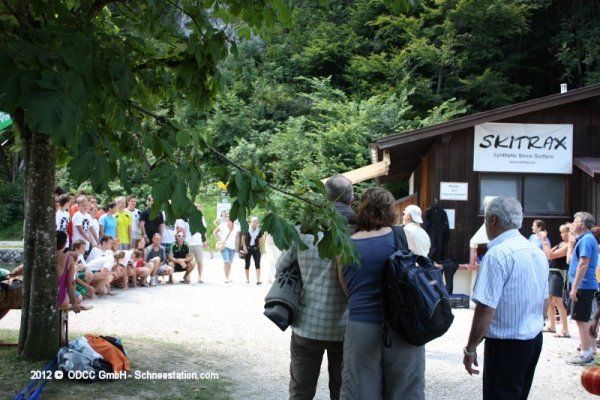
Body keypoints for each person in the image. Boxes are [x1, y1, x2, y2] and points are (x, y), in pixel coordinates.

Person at [274, 174, 354, 400]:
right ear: (352, 201)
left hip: (307, 325)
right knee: (341, 392)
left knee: (301, 392)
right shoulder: (358, 232)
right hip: (346, 328)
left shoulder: (304, 231)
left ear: (324, 199)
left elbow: (280, 268)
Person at [339, 187, 423, 400]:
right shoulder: (403, 236)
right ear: (390, 210)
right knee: (406, 392)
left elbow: (346, 288)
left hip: (361, 327)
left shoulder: (346, 245)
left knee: (360, 393)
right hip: (402, 326)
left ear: (362, 210)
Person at [463, 197, 548, 400]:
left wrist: (471, 348)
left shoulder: (497, 254)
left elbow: (485, 308)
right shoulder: (536, 251)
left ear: (492, 220)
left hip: (506, 344)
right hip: (534, 339)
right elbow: (544, 301)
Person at [566, 211, 599, 365]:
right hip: (585, 285)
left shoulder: (586, 239)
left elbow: (583, 263)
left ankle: (586, 355)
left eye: (576, 221)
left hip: (583, 285)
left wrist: (574, 287)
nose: (573, 223)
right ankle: (590, 351)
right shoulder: (587, 239)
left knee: (581, 320)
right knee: (585, 319)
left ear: (583, 224)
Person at [542, 223, 571, 338]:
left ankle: (565, 330)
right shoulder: (561, 243)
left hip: (558, 273)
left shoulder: (568, 245)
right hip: (552, 272)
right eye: (561, 232)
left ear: (568, 233)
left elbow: (551, 255)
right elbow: (548, 253)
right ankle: (552, 326)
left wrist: (544, 240)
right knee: (549, 301)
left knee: (558, 302)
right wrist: (545, 243)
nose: (561, 234)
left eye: (564, 232)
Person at [56, 231, 81, 313]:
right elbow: (70, 283)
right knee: (67, 300)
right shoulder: (69, 259)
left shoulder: (43, 256)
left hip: (40, 295)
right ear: (65, 244)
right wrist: (74, 303)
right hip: (60, 298)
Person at [214, 210, 237, 283]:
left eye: (231, 216)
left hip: (233, 247)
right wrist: (220, 240)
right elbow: (215, 232)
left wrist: (238, 247)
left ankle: (228, 276)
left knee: (229, 263)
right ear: (226, 217)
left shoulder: (236, 226)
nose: (229, 217)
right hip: (224, 246)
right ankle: (226, 278)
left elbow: (238, 237)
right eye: (228, 216)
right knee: (226, 261)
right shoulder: (222, 225)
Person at [242, 217, 263, 284]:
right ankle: (247, 279)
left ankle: (258, 280)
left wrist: (261, 249)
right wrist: (244, 247)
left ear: (258, 223)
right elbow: (243, 238)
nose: (255, 223)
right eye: (253, 222)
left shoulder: (259, 231)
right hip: (247, 249)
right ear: (251, 222)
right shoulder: (246, 229)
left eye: (256, 222)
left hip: (256, 249)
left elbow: (260, 240)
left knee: (257, 263)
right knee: (247, 264)